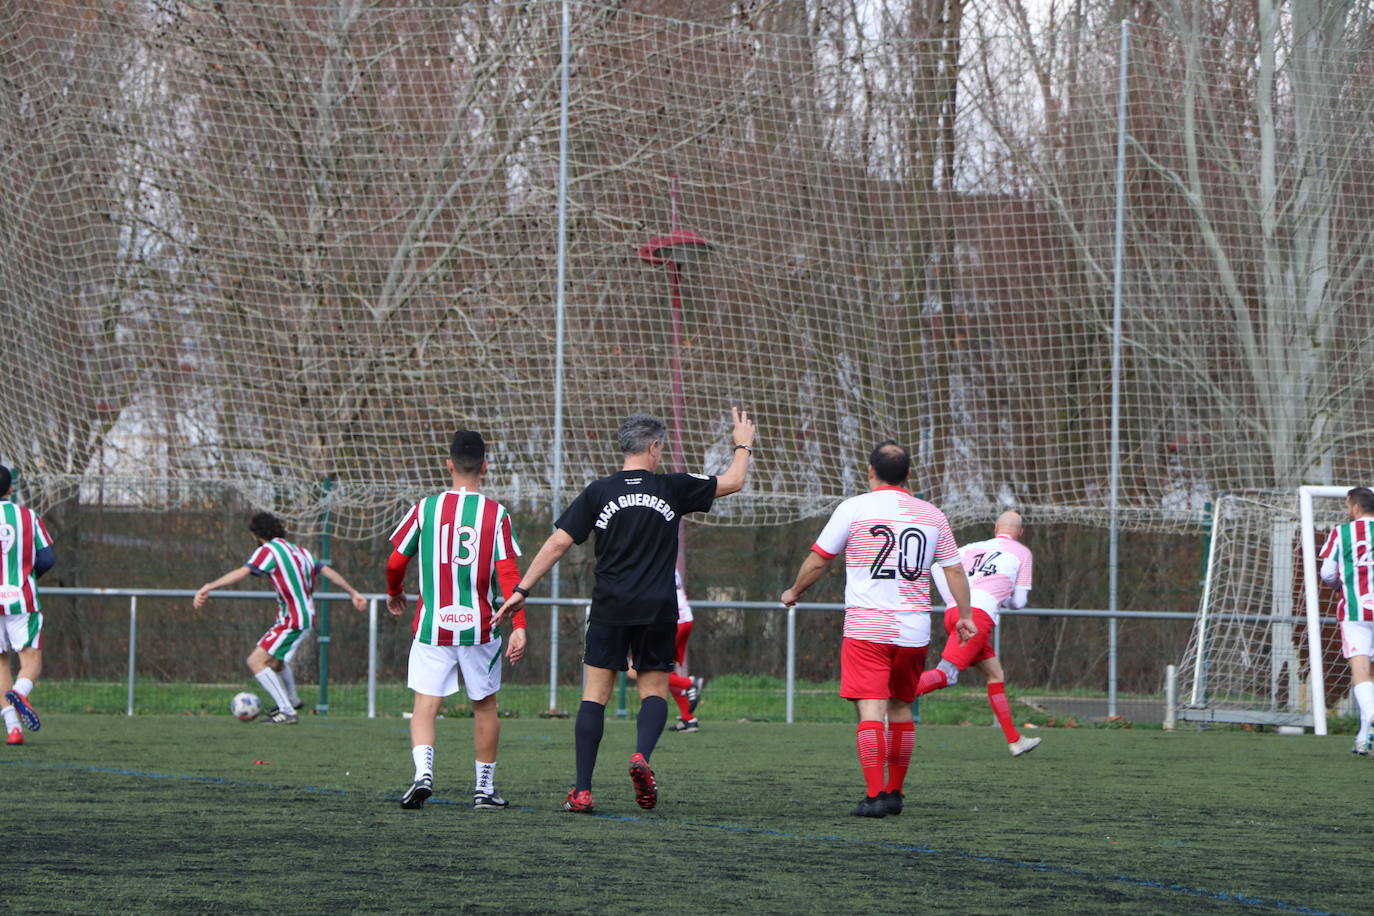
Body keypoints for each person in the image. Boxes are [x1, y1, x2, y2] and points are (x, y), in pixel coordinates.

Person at [494, 408, 756, 813]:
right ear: (653, 447)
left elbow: (559, 542)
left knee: (594, 696)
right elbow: (735, 480)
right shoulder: (673, 486)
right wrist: (742, 442)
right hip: (657, 607)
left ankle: (582, 791)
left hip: (610, 605)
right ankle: (640, 757)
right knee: (653, 690)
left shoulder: (599, 491)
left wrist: (522, 588)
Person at [781, 441, 974, 819]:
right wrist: (964, 615)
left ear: (870, 472)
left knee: (871, 707)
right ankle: (895, 793)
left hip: (867, 626)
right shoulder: (933, 515)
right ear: (908, 475)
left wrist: (794, 590)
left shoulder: (854, 508)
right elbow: (953, 570)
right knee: (902, 707)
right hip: (913, 630)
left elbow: (820, 560)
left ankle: (873, 798)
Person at [386, 430, 527, 810]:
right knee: (484, 706)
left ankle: (423, 775)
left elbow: (396, 561)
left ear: (449, 465)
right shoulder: (496, 514)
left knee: (426, 704)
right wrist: (519, 626)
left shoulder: (424, 509)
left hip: (433, 626)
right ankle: (483, 790)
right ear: (485, 466)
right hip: (480, 627)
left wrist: (394, 591)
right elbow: (510, 578)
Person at [194, 512, 367, 724]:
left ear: (257, 535)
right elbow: (328, 572)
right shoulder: (300, 551)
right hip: (302, 618)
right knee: (275, 662)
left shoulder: (268, 550)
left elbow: (243, 572)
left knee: (256, 661)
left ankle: (287, 710)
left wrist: (209, 586)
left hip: (293, 620)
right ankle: (292, 700)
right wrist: (353, 592)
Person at [922, 510, 1041, 757]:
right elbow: (1019, 602)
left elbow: (936, 568)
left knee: (995, 674)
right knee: (948, 675)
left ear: (996, 528)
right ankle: (886, 701)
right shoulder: (1023, 553)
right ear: (1020, 532)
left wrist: (953, 601)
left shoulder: (971, 547)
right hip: (978, 618)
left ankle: (1015, 740)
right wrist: (1001, 596)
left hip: (958, 612)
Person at [0, 466, 54, 746]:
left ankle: (13, 729)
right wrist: (25, 579)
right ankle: (21, 692)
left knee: (0, 664)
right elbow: (47, 559)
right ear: (11, 489)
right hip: (21, 599)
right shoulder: (28, 516)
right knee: (31, 661)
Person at [1318, 486, 1374, 755]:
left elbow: (1327, 572)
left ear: (1354, 506)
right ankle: (1364, 738)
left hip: (1355, 612)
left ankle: (1372, 717)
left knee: (1361, 672)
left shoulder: (1342, 533)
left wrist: (1341, 585)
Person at [668, 569, 706, 732]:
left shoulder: (647, 554)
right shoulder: (663, 552)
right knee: (666, 669)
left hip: (672, 620)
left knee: (642, 668)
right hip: (684, 618)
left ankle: (691, 683)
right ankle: (688, 719)